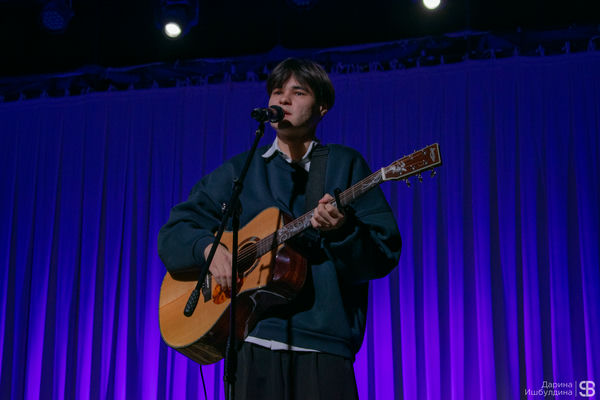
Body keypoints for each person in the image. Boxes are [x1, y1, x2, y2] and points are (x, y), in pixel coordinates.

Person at [158, 58, 401, 399]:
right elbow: (174, 232)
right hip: (251, 342)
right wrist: (208, 250)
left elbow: (382, 256)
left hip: (322, 347)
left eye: (298, 92)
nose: (283, 99)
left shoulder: (345, 164)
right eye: (276, 91)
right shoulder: (240, 172)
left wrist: (342, 232)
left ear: (322, 107)